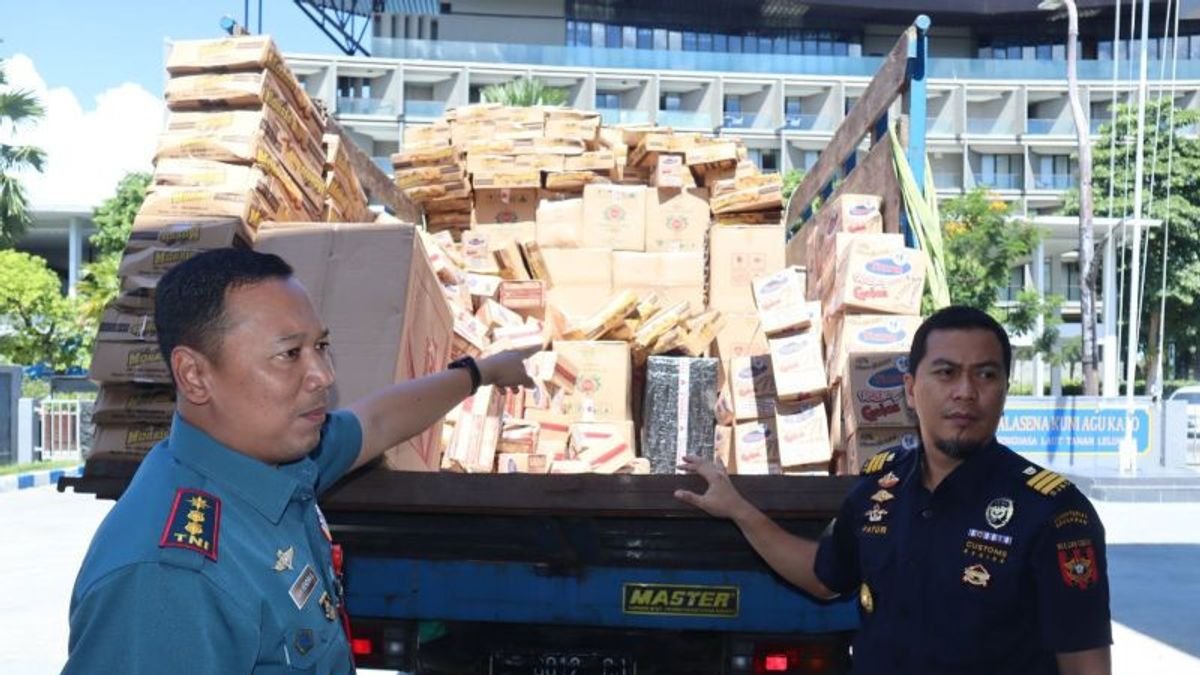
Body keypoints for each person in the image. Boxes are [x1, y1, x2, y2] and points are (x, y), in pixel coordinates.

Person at [62, 249, 535, 674]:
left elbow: (378, 421)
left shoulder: (271, 460)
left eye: (321, 347)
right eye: (289, 354)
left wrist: (481, 371)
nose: (324, 376)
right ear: (195, 375)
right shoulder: (169, 580)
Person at [676, 306, 1112, 675]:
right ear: (910, 389)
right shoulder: (879, 490)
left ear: (1003, 391)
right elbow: (825, 578)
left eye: (985, 374)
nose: (965, 392)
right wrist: (738, 510)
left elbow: (1086, 665)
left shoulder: (1053, 514)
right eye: (946, 373)